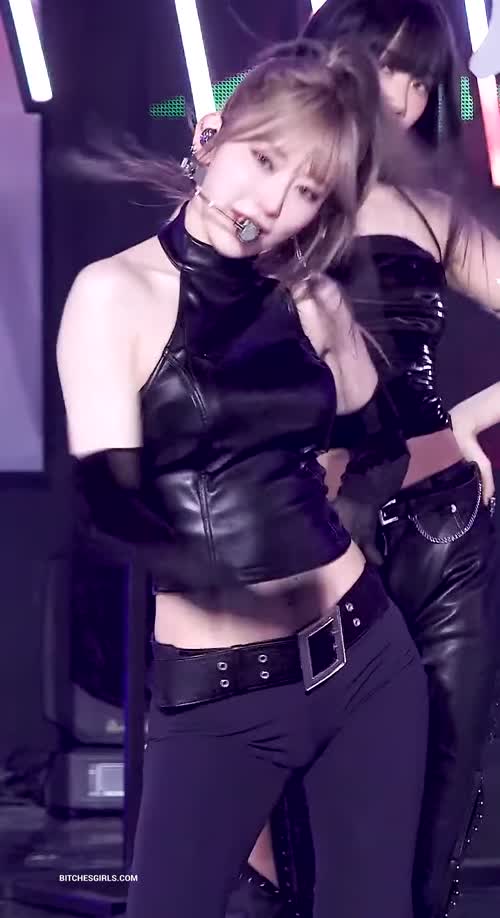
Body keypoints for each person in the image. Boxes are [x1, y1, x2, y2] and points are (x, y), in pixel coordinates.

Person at [57, 38, 429, 918]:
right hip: (221, 699)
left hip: (366, 665)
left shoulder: (307, 299)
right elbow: (109, 500)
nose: (270, 203)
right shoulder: (114, 294)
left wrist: (333, 317)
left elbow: (382, 443)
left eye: (307, 191)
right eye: (264, 161)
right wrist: (221, 580)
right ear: (211, 133)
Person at [242, 3, 499, 918]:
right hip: (316, 543)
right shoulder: (266, 201)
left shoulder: (433, 212)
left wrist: (467, 420)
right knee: (304, 838)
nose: (400, 93)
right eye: (383, 62)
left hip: (446, 536)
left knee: (434, 827)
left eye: (419, 78)